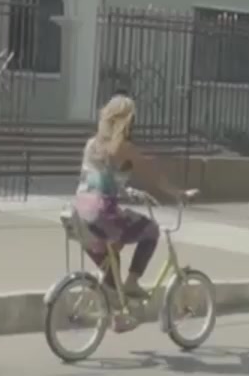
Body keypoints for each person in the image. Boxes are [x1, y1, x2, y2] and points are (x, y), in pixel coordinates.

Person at [74, 94, 180, 304]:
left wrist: (127, 191)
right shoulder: (122, 147)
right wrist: (178, 193)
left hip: (81, 214)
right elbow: (153, 174)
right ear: (126, 120)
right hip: (103, 215)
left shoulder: (91, 144)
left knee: (113, 278)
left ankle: (115, 312)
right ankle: (132, 282)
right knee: (150, 230)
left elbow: (97, 179)